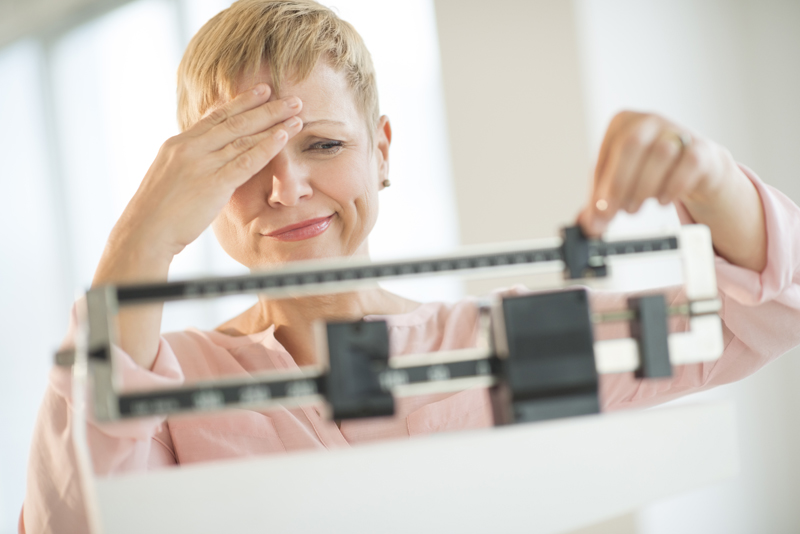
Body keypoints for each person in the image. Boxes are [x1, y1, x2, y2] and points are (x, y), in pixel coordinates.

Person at [20, 0, 800, 532]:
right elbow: (72, 522)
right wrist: (137, 244)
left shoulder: (493, 343)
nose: (286, 187)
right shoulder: (167, 377)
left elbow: (762, 315)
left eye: (323, 144)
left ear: (383, 149)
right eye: (238, 159)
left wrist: (710, 178)